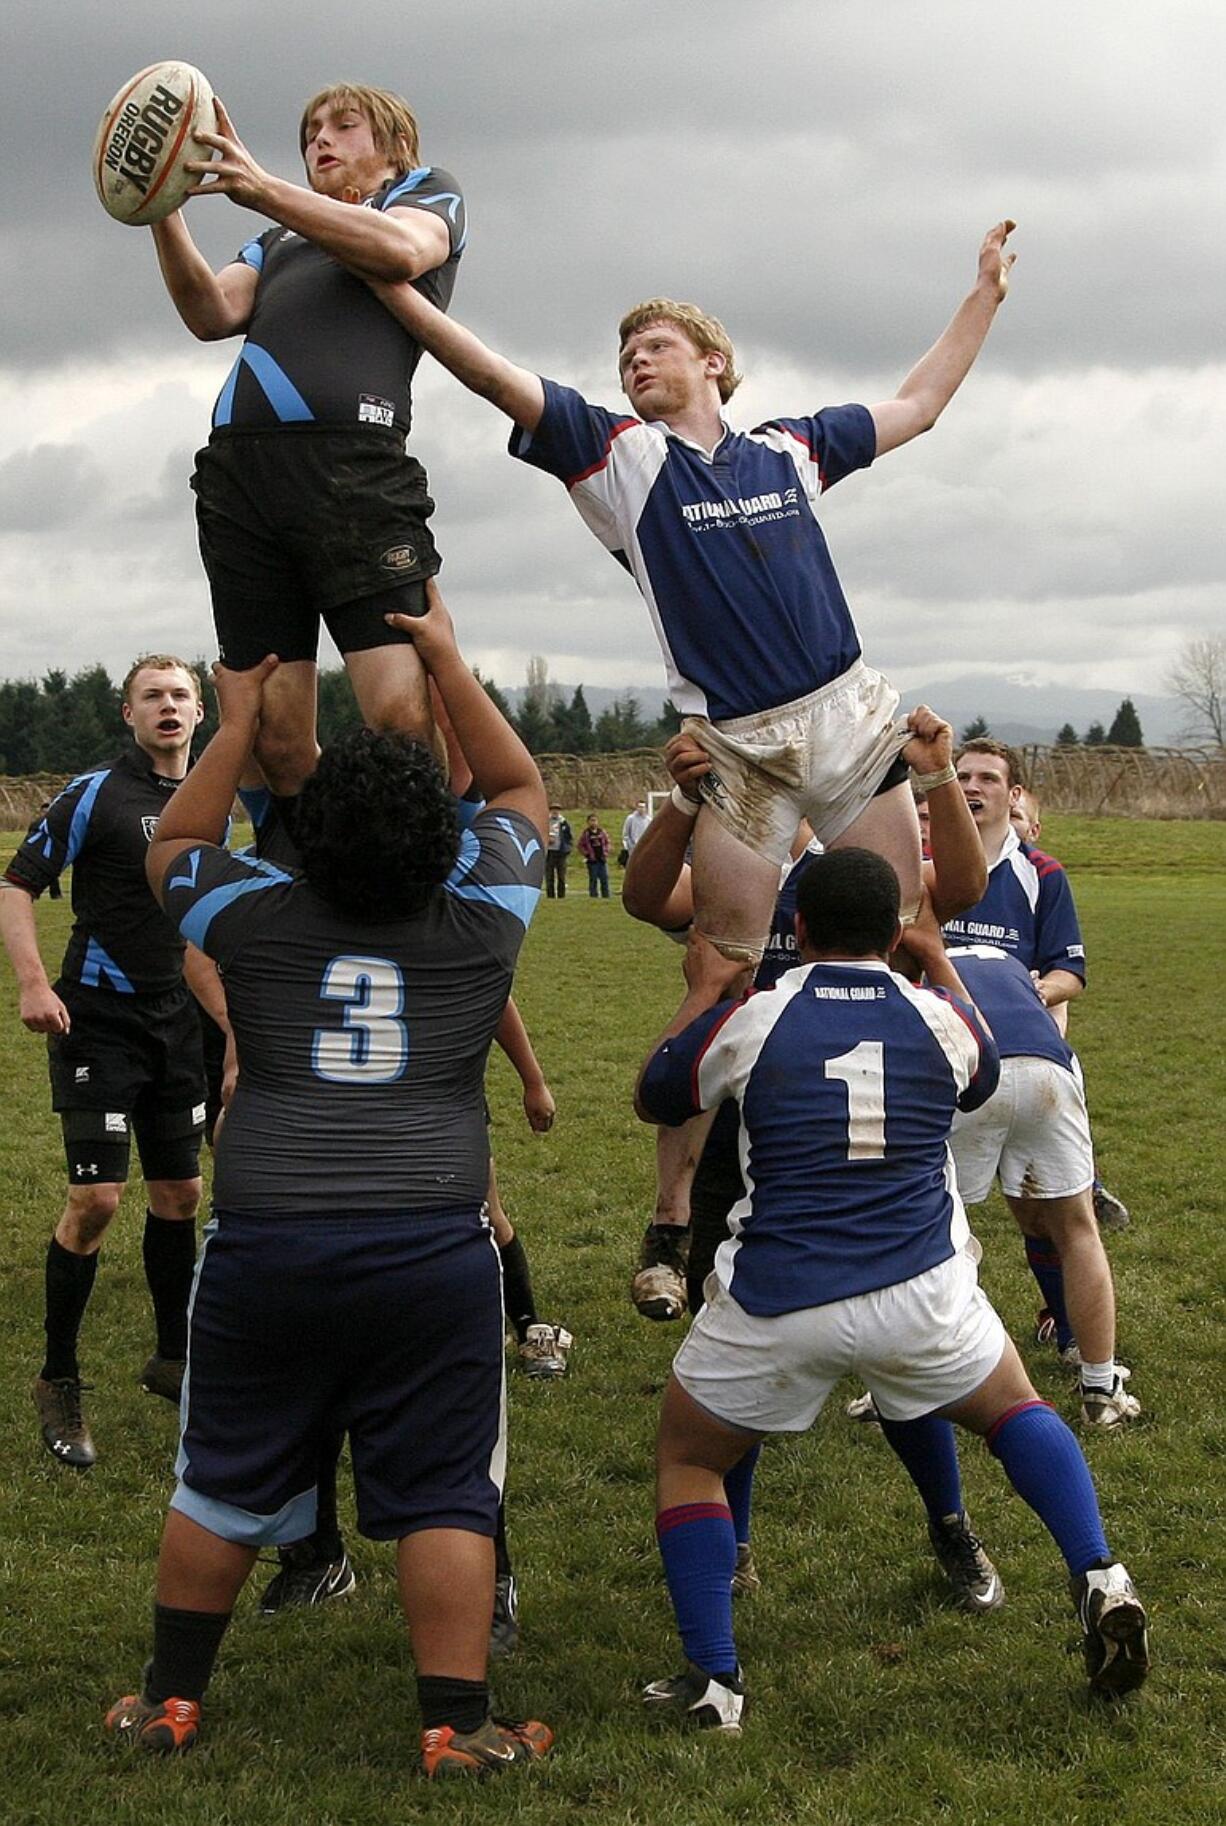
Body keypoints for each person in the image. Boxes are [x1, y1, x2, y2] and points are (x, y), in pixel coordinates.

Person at [104, 588, 553, 1778]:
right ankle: (455, 1723)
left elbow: (170, 848)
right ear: (438, 843)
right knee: (447, 1488)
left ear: (307, 841)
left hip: (268, 1240)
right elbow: (517, 792)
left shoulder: (251, 914)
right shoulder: (485, 919)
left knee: (221, 1471)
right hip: (431, 1243)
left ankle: (169, 1699)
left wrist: (240, 726)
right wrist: (447, 665)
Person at [369, 220, 1016, 972]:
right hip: (737, 744)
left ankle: (957, 1069)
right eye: (625, 357)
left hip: (847, 717)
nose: (635, 361)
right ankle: (698, 1090)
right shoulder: (617, 456)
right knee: (720, 965)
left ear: (714, 363)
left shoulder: (789, 448)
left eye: (656, 347)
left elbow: (920, 404)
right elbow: (492, 375)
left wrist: (983, 297)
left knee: (906, 935)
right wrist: (392, 287)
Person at [633, 850, 1149, 1730]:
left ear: (796, 932)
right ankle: (1103, 1574)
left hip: (781, 1297)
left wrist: (707, 990)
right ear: (892, 932)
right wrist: (939, 959)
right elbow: (984, 1074)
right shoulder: (938, 1016)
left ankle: (716, 1683)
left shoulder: (758, 1017)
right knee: (1016, 1409)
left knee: (690, 1458)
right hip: (921, 1290)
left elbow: (657, 1094)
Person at [149, 82, 467, 793]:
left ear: (395, 145)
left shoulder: (423, 196)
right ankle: (309, 882)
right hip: (240, 480)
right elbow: (210, 311)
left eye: (342, 126)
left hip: (352, 468)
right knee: (273, 729)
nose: (319, 140)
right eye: (309, 132)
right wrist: (160, 206)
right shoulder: (276, 238)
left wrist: (262, 187)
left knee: (398, 712)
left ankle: (421, 876)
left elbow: (399, 253)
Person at [623, 706, 985, 1322]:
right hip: (753, 1082)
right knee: (727, 1232)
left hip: (867, 1089)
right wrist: (684, 803)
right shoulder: (753, 872)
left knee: (871, 1250)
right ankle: (672, 1231)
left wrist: (939, 777)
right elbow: (645, 898)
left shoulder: (870, 878)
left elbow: (965, 884)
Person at [1, 657, 211, 1469]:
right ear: (128, 713)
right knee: (95, 1200)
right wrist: (30, 983)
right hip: (96, 1019)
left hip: (176, 1022)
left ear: (201, 713)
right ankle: (58, 1379)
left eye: (181, 695)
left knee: (181, 1192)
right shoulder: (95, 793)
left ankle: (173, 1358)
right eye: (153, 695)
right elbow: (17, 886)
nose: (168, 706)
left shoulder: (207, 802)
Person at [942, 945, 1140, 1428]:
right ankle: (1101, 1388)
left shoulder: (926, 954)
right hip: (1049, 1067)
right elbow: (1054, 1011)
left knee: (942, 1235)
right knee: (1077, 1230)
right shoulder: (1013, 965)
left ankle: (910, 1387)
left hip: (972, 1066)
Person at [1007, 786, 1130, 1231]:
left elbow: (1066, 969)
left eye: (1018, 818)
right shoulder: (946, 867)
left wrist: (1041, 995)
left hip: (1026, 1029)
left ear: (1034, 829)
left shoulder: (1042, 875)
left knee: (1061, 1077)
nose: (1010, 824)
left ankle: (1085, 1181)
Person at [577, 814, 611, 898]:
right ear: (588, 822)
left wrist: (606, 852)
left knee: (604, 879)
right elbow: (580, 845)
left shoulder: (602, 832)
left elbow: (607, 843)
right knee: (593, 880)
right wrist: (587, 854)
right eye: (591, 820)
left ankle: (606, 896)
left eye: (595, 820)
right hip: (592, 861)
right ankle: (593, 896)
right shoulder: (586, 833)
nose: (594, 822)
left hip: (602, 859)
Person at [544, 805, 573, 898]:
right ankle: (550, 895)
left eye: (557, 810)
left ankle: (561, 895)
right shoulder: (545, 822)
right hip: (549, 852)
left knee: (561, 876)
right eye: (553, 810)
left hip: (561, 853)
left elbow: (569, 837)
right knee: (549, 876)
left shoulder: (563, 822)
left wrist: (567, 848)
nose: (555, 812)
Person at [621, 799, 650, 866]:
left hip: (644, 848)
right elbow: (626, 834)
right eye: (639, 807)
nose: (641, 809)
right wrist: (630, 846)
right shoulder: (630, 818)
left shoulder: (648, 820)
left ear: (645, 808)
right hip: (633, 848)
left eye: (643, 807)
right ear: (637, 808)